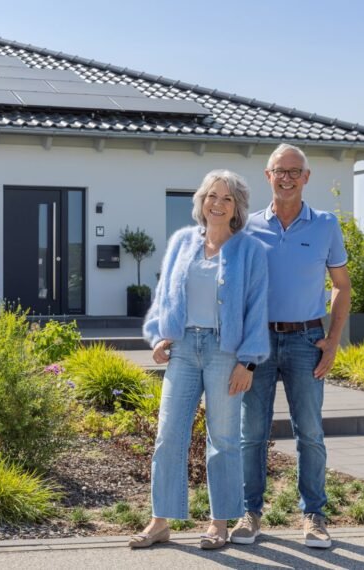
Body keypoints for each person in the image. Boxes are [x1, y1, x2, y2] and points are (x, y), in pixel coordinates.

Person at [132, 169, 269, 550]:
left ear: (237, 208)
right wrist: (161, 335)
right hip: (183, 349)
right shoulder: (182, 242)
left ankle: (218, 523)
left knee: (223, 439)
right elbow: (166, 294)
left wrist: (248, 362)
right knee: (168, 435)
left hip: (225, 352)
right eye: (211, 196)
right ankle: (160, 521)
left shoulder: (250, 250)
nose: (217, 204)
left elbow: (257, 307)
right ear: (201, 201)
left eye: (227, 198)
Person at [233, 143, 352, 549]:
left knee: (310, 432)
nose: (286, 178)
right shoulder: (247, 226)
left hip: (306, 340)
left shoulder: (325, 225)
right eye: (279, 171)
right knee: (252, 432)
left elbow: (341, 286)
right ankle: (249, 513)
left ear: (306, 177)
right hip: (257, 343)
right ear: (267, 176)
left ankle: (314, 516)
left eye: (294, 171)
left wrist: (333, 341)